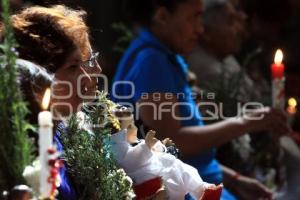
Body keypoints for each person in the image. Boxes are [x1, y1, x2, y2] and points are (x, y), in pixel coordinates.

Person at [112, 0, 290, 199]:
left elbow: (191, 156)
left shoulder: (166, 57)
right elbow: (173, 144)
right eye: (194, 17)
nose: (200, 28)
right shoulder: (151, 61)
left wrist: (234, 179)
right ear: (162, 17)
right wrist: (246, 122)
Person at [4, 5, 102, 199]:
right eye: (73, 67)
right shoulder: (17, 151)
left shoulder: (60, 130)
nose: (86, 75)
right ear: (40, 76)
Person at [111, 106, 222, 200]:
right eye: (129, 126)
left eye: (133, 124)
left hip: (163, 170)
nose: (134, 128)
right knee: (177, 174)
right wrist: (146, 146)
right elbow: (129, 162)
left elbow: (153, 151)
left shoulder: (136, 142)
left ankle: (203, 190)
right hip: (152, 180)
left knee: (186, 170)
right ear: (118, 135)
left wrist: (162, 146)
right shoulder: (119, 149)